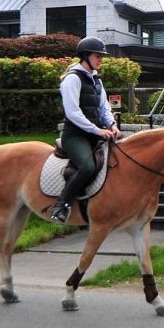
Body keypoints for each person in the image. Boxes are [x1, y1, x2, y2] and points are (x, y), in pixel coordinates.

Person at [50, 36, 121, 223]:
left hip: (94, 134)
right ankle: (61, 205)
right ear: (85, 56)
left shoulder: (97, 80)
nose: (101, 60)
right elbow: (73, 113)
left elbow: (104, 108)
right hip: (75, 136)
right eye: (98, 56)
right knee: (88, 166)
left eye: (101, 57)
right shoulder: (72, 80)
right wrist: (98, 131)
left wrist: (112, 125)